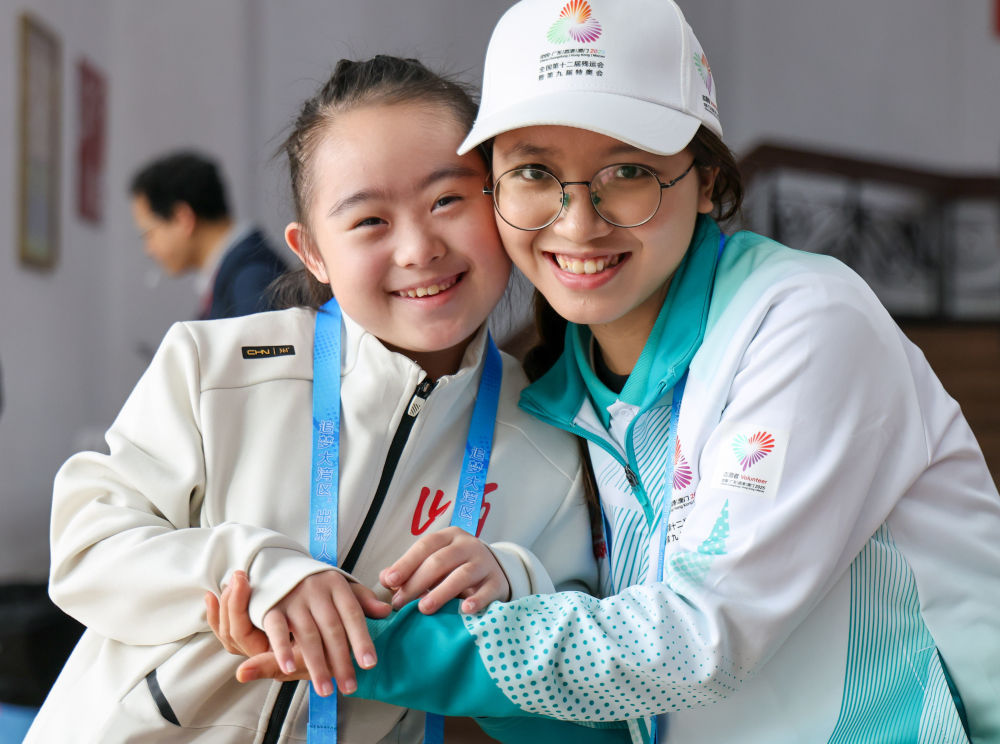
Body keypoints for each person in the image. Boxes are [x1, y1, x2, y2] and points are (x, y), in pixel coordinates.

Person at [219, 2, 1000, 742]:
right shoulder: (554, 404)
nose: (579, 222)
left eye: (628, 171)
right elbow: (608, 707)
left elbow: (702, 640)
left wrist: (358, 641)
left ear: (706, 180)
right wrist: (500, 598)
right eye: (534, 172)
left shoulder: (802, 322)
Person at [26, 56, 624, 744]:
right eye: (369, 220)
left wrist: (516, 581)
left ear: (501, 204)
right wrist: (251, 567)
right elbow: (87, 545)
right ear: (311, 252)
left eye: (447, 201)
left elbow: (584, 653)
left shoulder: (550, 437)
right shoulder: (214, 368)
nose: (418, 248)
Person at [130, 151, 287, 319]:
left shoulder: (252, 278)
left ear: (182, 219)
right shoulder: (236, 275)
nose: (148, 249)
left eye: (149, 233)